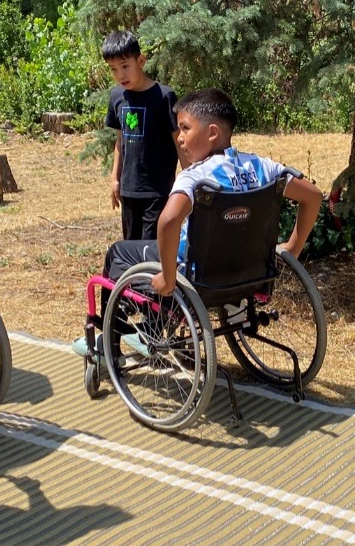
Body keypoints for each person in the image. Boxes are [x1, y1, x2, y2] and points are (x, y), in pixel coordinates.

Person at [74, 88, 322, 356]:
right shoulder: (263, 168)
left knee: (117, 254)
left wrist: (168, 279)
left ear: (212, 132)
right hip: (248, 271)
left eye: (185, 128)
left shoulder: (195, 178)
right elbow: (314, 197)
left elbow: (168, 221)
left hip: (196, 275)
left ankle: (111, 346)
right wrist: (293, 249)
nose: (179, 138)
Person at [103, 30, 179, 240]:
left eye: (125, 66)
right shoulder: (117, 96)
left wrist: (188, 181)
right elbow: (120, 141)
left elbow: (179, 142)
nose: (120, 75)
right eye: (113, 69)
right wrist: (115, 179)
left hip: (158, 190)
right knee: (131, 247)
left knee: (150, 249)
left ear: (141, 60)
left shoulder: (164, 96)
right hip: (129, 190)